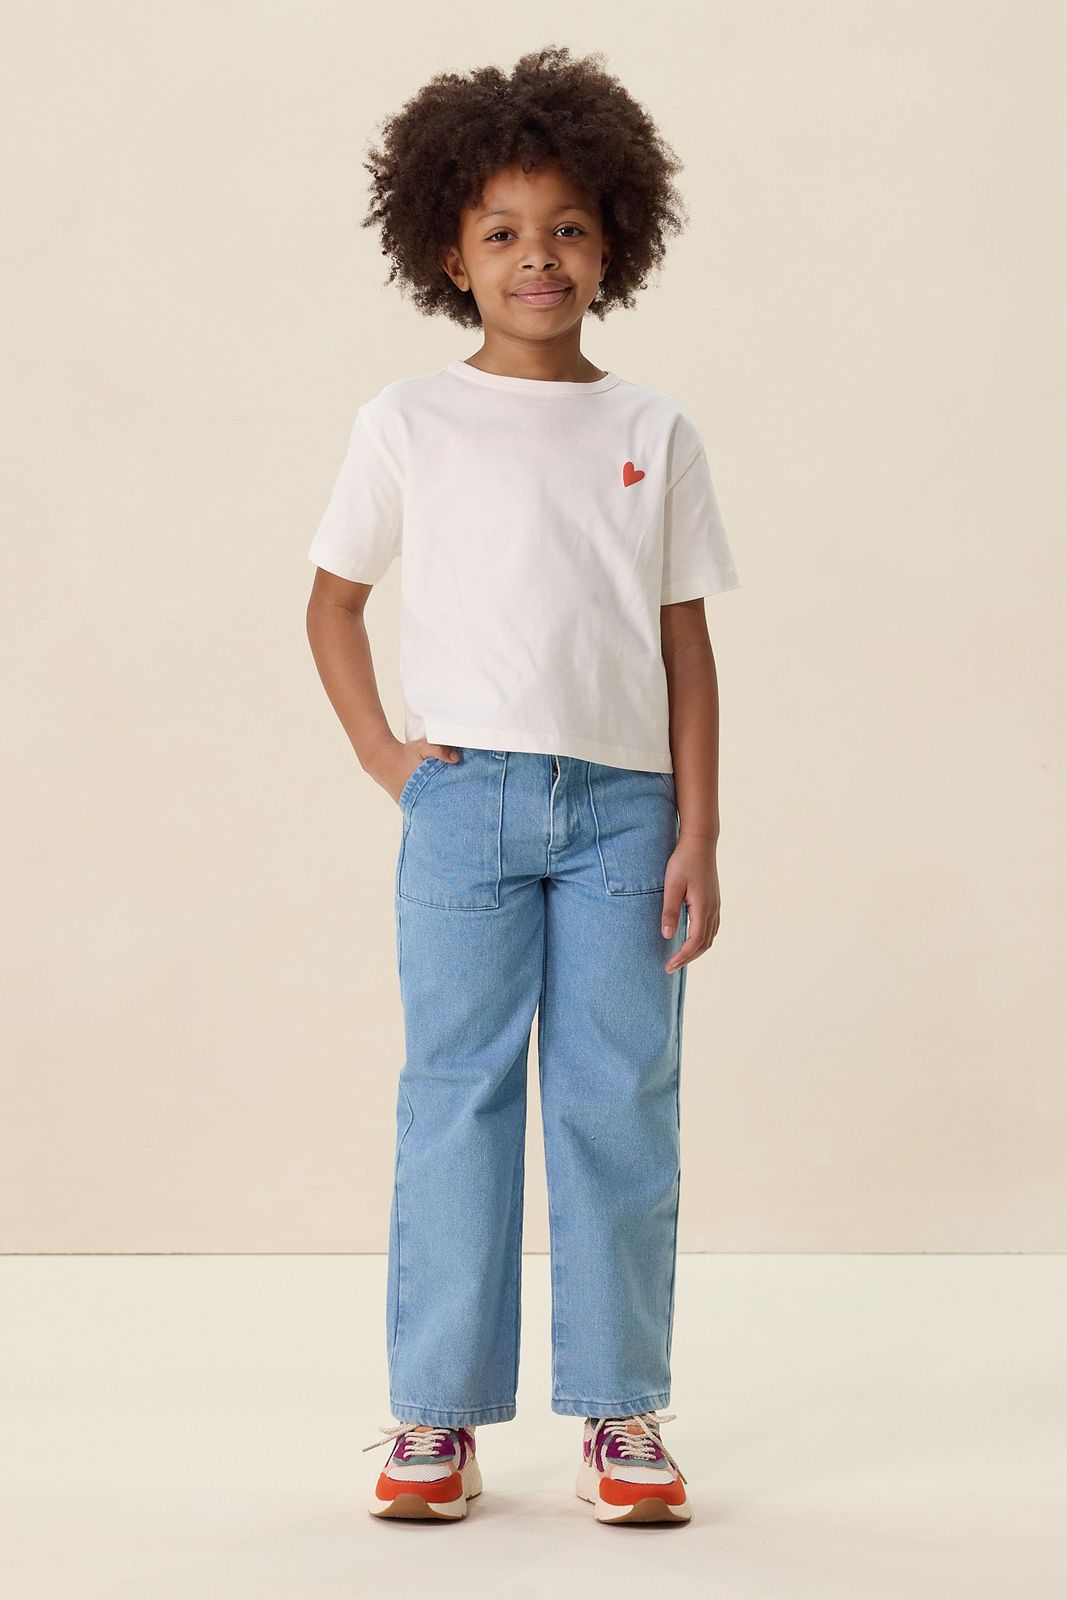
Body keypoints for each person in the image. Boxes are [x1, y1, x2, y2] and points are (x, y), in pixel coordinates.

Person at [305, 45, 740, 1527]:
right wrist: (388, 759)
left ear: (613, 243)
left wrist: (699, 830)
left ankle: (622, 1410)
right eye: (501, 231)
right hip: (463, 809)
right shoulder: (407, 422)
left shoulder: (652, 431)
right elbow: (332, 603)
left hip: (625, 816)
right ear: (450, 255)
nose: (536, 256)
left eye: (566, 228)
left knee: (620, 1101)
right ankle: (435, 1415)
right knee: (457, 1099)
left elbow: (685, 649)